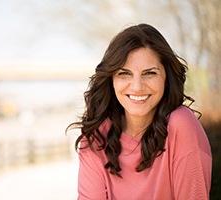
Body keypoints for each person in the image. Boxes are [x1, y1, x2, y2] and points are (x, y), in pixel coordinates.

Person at [67, 23, 212, 200]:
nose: (137, 87)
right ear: (111, 79)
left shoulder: (181, 125)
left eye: (149, 73)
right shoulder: (95, 138)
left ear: (166, 77)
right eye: (124, 73)